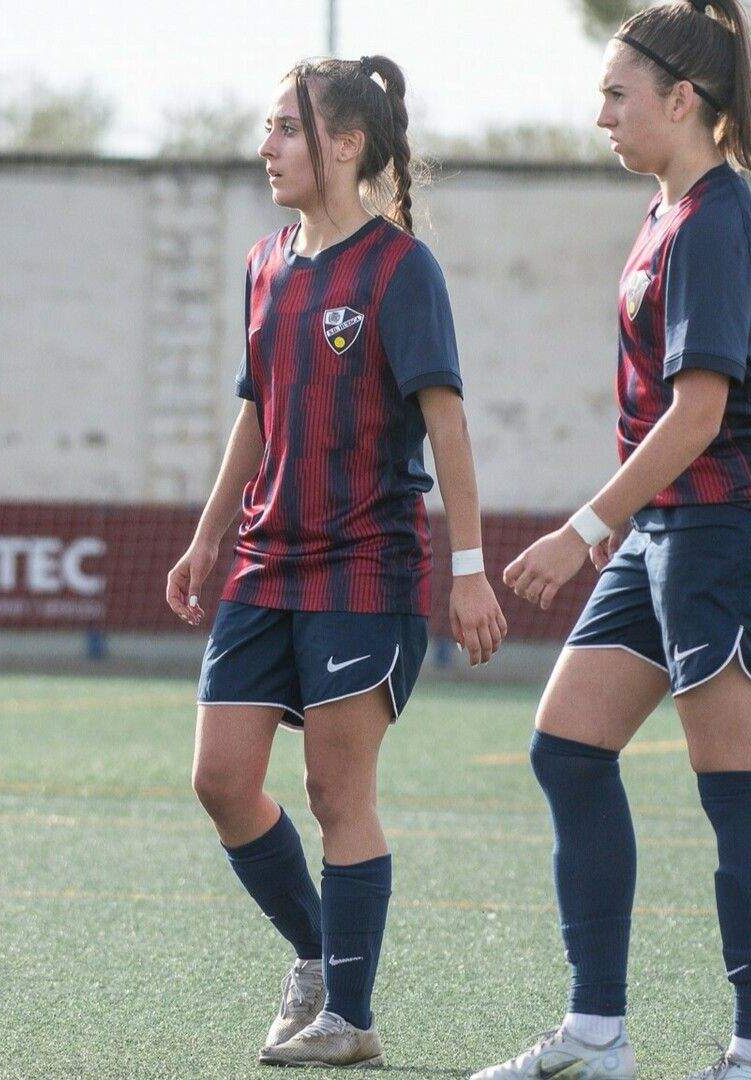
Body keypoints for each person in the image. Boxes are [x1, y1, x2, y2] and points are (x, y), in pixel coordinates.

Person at [471, 2, 751, 1077]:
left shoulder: (717, 220)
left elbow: (701, 413)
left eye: (619, 95)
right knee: (568, 750)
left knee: (735, 781)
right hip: (670, 526)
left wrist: (582, 530)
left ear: (683, 101)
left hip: (728, 525)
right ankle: (595, 1036)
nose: (601, 115)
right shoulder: (668, 213)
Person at [164, 54, 508, 1070]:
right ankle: (319, 957)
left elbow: (447, 424)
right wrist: (207, 531)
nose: (265, 145)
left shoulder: (403, 271)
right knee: (221, 781)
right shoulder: (264, 262)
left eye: (284, 127)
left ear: (346, 143)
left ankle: (349, 1021)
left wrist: (471, 566)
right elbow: (256, 410)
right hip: (267, 563)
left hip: (368, 566)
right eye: (268, 128)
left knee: (334, 791)